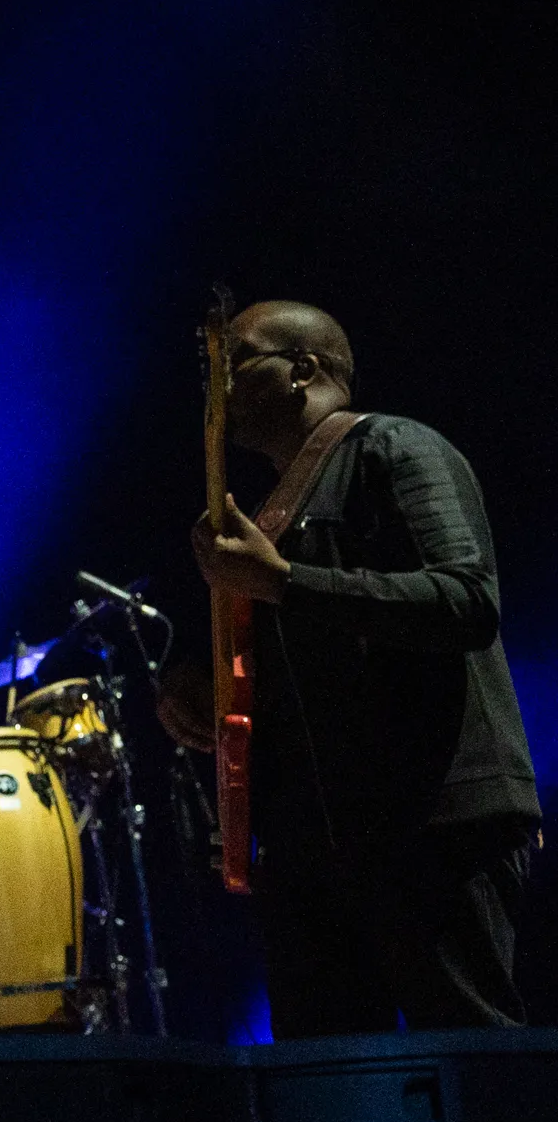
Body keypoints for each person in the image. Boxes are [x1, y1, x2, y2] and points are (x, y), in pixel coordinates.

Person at [160, 300, 538, 1035]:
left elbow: (466, 600)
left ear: (303, 371)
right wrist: (203, 692)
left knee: (470, 1059)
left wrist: (284, 582)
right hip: (314, 849)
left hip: (431, 827)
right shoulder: (271, 509)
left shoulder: (398, 448)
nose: (217, 394)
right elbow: (306, 664)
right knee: (330, 1086)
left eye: (232, 367)